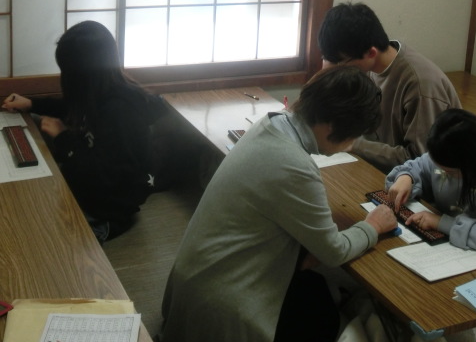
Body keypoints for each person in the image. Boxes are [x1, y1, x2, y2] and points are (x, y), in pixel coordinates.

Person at [158, 66, 397, 342]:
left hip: (196, 283)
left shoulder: (271, 123)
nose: (351, 145)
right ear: (331, 126)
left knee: (317, 288)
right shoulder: (295, 166)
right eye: (353, 136)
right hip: (223, 309)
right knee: (325, 318)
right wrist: (372, 226)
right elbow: (334, 251)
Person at [2, 21, 166, 242]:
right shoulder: (100, 90)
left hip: (109, 207)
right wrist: (32, 104)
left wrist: (62, 138)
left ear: (81, 74)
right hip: (90, 176)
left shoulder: (120, 111)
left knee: (35, 235)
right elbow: (69, 107)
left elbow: (103, 175)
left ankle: (96, 230)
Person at [318, 2, 461, 173]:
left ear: (371, 53)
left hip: (428, 181)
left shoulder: (420, 85)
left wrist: (354, 144)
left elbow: (420, 161)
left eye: (341, 62)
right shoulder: (367, 66)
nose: (339, 69)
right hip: (386, 172)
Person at [385, 108, 476, 261]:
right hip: (448, 246)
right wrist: (406, 177)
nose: (442, 172)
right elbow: (419, 166)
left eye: (449, 172)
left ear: (471, 164)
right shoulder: (446, 153)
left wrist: (441, 223)